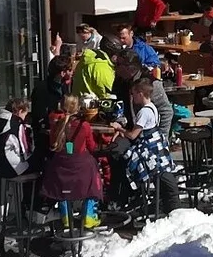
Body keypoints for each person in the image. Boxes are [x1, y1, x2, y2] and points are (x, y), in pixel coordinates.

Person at [116, 77, 181, 212]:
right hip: (157, 144)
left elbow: (133, 135)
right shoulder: (153, 107)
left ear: (140, 94)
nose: (132, 97)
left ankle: (133, 194)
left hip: (150, 149)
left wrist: (119, 128)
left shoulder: (143, 112)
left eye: (134, 94)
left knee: (126, 159)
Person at [41, 96, 103, 229]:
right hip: (80, 166)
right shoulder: (84, 125)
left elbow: (52, 144)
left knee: (62, 186)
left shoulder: (57, 124)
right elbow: (92, 147)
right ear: (78, 108)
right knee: (93, 177)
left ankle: (66, 216)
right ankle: (89, 215)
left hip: (60, 166)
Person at [30, 56, 75, 145]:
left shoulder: (63, 86)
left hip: (61, 131)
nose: (72, 73)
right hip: (46, 134)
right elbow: (38, 114)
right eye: (69, 70)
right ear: (62, 73)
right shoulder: (41, 88)